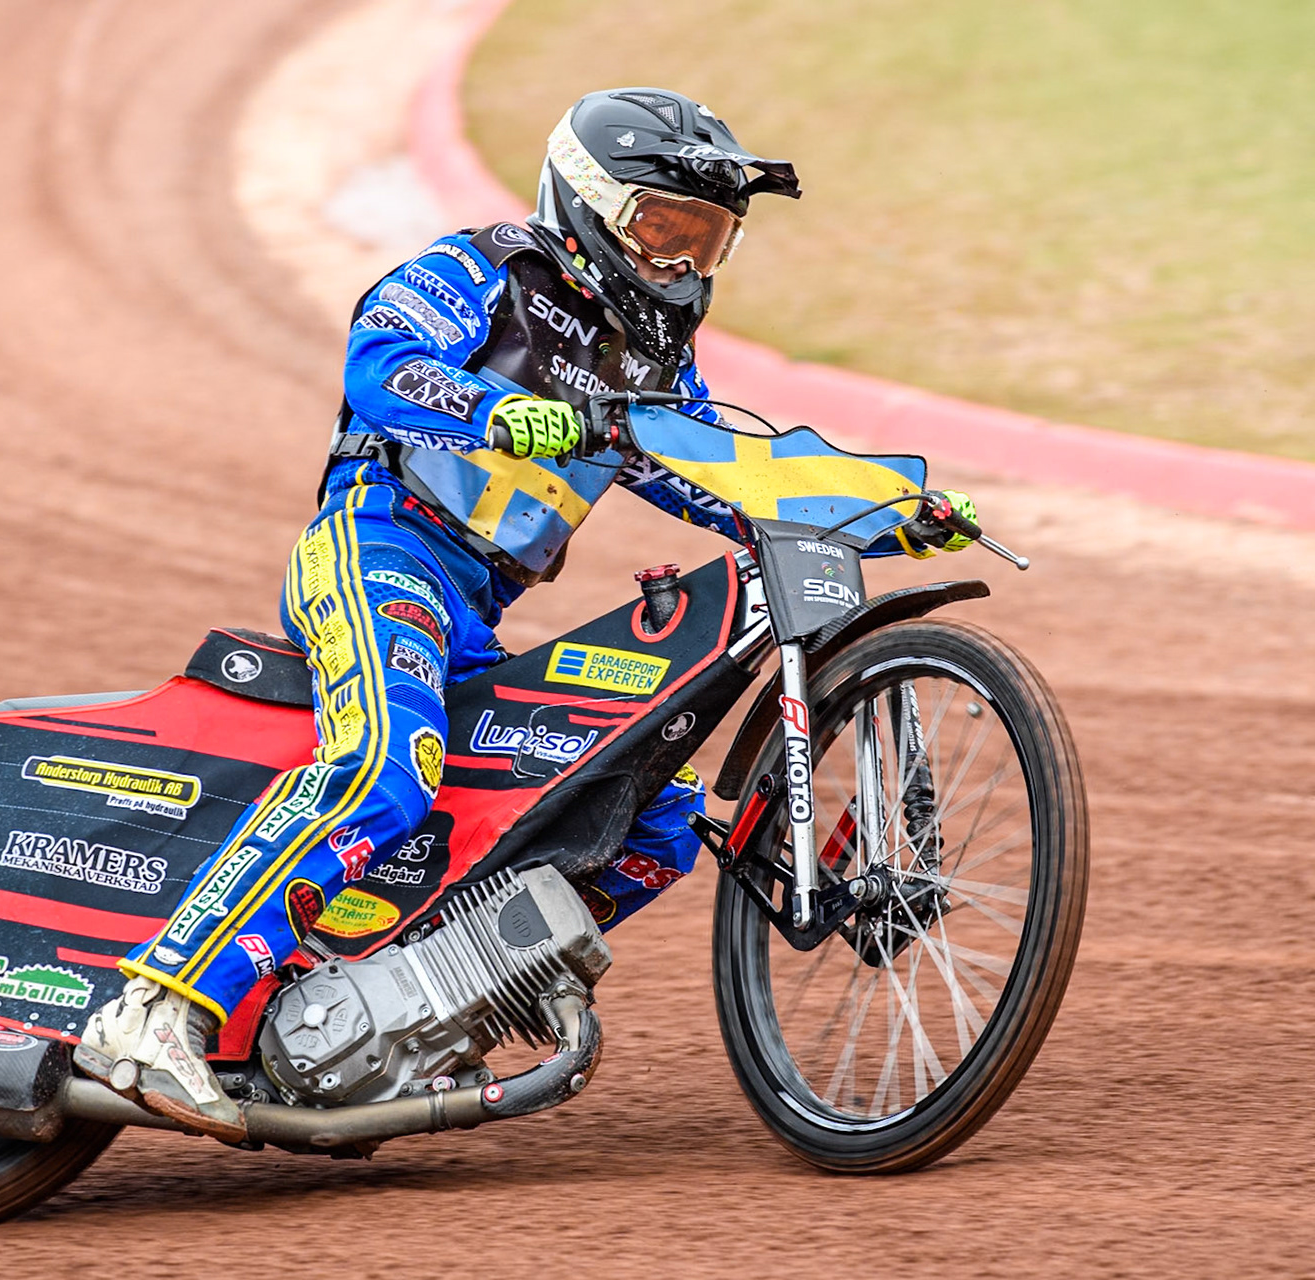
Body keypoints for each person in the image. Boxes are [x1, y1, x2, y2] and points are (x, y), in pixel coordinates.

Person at [72, 87, 977, 1140]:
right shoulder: (486, 268)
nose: (682, 266)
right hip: (380, 547)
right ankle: (159, 1006)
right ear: (591, 207)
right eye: (662, 232)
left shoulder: (655, 372)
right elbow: (378, 363)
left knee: (655, 818)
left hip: (475, 615)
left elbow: (727, 482)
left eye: (707, 242)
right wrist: (504, 410)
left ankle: (413, 1005)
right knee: (385, 764)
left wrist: (884, 507)